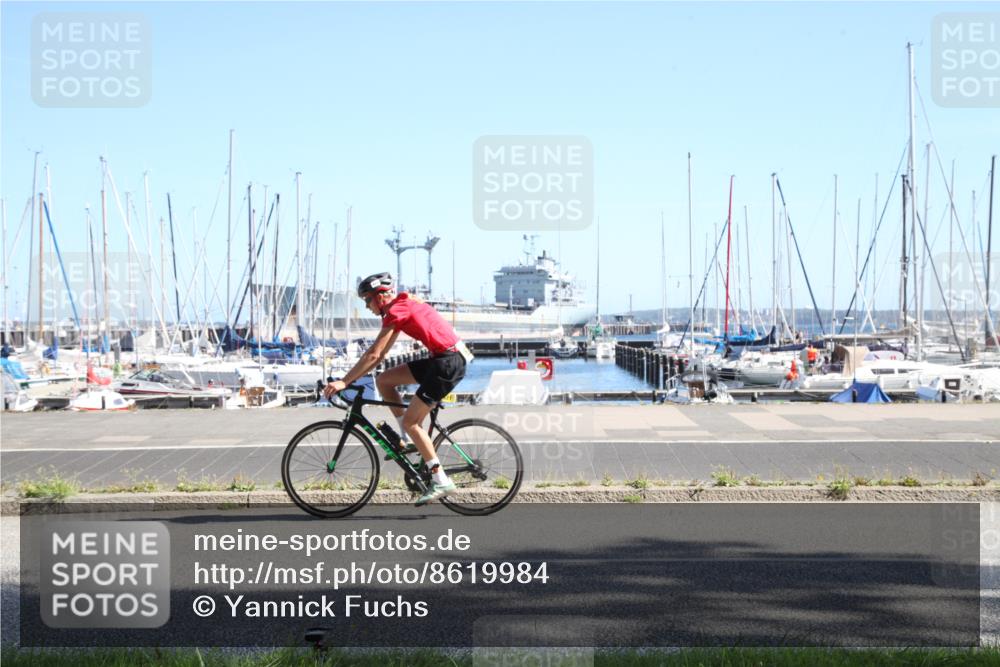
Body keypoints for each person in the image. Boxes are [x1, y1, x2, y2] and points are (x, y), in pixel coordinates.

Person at [323, 272, 472, 506]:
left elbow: (375, 353)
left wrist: (345, 381)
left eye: (367, 300)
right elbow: (380, 356)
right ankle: (407, 438)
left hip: (447, 362)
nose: (366, 306)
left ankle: (441, 480)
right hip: (441, 358)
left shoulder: (397, 309)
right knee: (384, 381)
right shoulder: (403, 303)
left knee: (413, 422)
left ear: (380, 296)